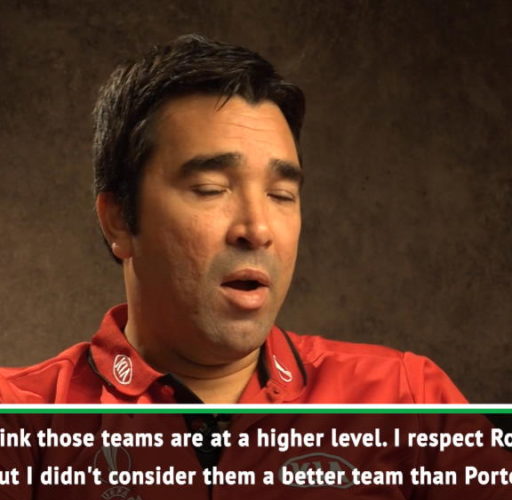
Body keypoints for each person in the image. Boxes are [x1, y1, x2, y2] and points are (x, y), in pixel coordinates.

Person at [0, 34, 466, 405]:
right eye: (211, 189)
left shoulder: (408, 398)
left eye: (281, 195)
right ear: (119, 220)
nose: (257, 230)